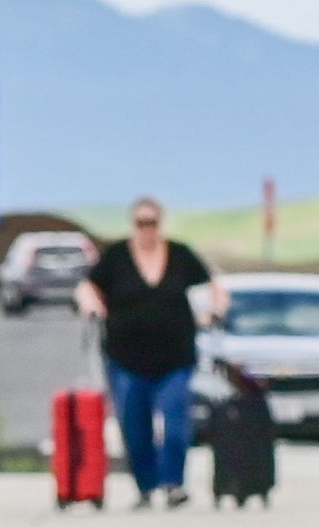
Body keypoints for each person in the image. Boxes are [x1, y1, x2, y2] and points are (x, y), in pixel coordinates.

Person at [74, 198, 225, 509]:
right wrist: (91, 305)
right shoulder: (116, 257)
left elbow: (212, 286)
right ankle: (145, 486)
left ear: (161, 223)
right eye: (141, 223)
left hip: (175, 358)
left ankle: (173, 483)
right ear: (133, 224)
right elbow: (88, 286)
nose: (147, 230)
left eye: (152, 223)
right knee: (134, 424)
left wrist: (214, 311)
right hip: (125, 358)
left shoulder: (180, 255)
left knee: (175, 420)